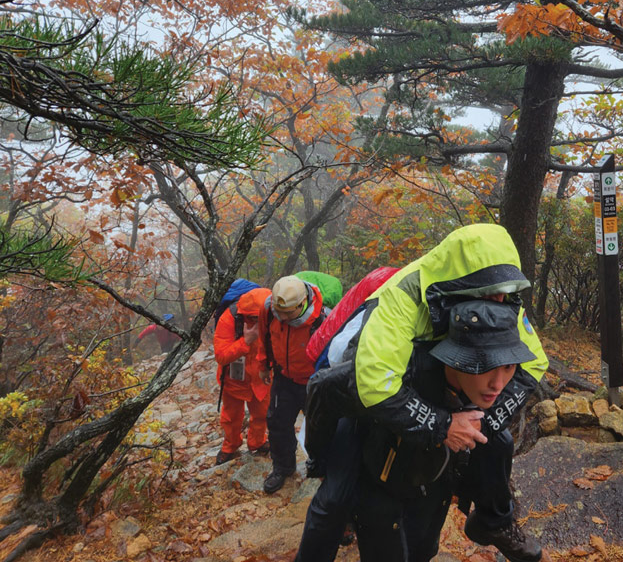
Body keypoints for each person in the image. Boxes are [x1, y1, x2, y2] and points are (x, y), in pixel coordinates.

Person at [295, 223, 548, 562]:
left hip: (434, 389)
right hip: (357, 398)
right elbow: (374, 384)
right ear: (462, 284)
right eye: (491, 294)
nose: (499, 302)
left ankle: (493, 520)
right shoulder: (406, 294)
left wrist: (479, 421)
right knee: (337, 498)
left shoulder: (498, 294)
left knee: (494, 442)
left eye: (504, 292)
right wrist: (444, 426)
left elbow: (533, 363)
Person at [258, 275, 328, 493]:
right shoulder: (270, 310)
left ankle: (321, 466)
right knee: (277, 423)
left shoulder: (322, 318)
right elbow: (264, 336)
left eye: (288, 314)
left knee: (320, 428)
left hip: (313, 382)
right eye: (280, 313)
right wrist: (263, 364)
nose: (283, 318)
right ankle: (283, 467)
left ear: (302, 303)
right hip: (283, 378)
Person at [213, 287, 271, 465]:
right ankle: (230, 446)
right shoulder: (229, 319)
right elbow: (221, 355)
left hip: (261, 377)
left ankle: (257, 442)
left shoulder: (272, 317)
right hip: (233, 378)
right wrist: (246, 341)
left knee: (261, 413)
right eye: (256, 318)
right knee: (231, 417)